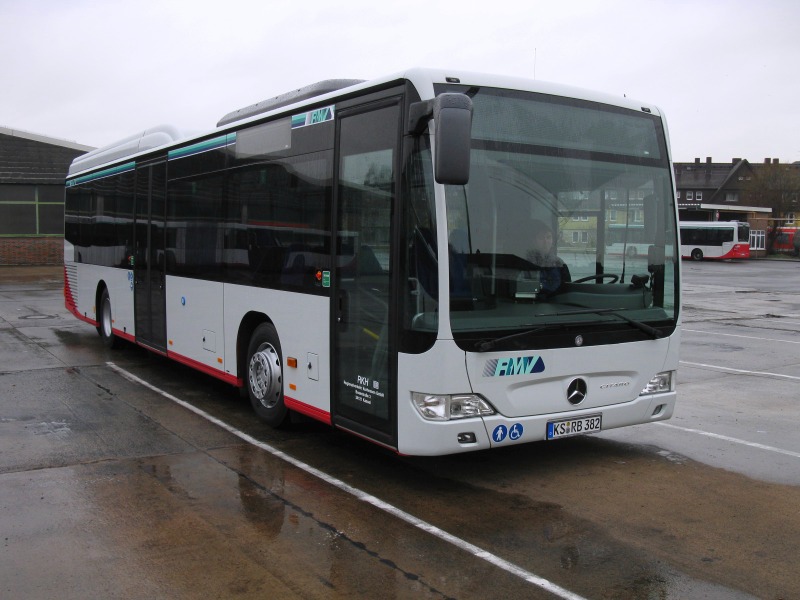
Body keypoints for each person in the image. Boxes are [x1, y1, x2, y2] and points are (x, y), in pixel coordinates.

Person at [528, 220, 571, 297]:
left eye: (548, 237)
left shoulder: (559, 263)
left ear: (552, 240)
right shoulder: (526, 262)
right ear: (534, 240)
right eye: (541, 238)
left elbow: (567, 291)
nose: (546, 241)